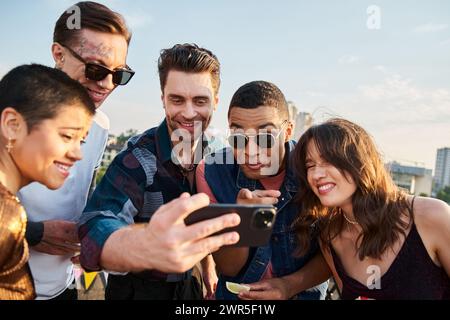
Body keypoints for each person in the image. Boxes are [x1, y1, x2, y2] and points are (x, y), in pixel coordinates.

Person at [78, 43, 240, 300]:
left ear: (216, 102)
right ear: (163, 98)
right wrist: (144, 245)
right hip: (138, 290)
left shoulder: (220, 155)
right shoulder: (137, 158)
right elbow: (94, 224)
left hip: (192, 286)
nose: (188, 113)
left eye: (200, 101)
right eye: (177, 100)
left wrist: (208, 265)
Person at [18, 1, 134, 300]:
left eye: (118, 74)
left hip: (64, 288)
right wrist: (32, 233)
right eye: (95, 69)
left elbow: (85, 207)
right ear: (58, 54)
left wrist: (91, 290)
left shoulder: (101, 127)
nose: (106, 85)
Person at [196, 81, 329, 300]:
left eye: (265, 138)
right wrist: (244, 221)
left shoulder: (317, 168)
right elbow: (229, 268)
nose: (250, 152)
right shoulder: (210, 172)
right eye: (238, 139)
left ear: (287, 131)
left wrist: (288, 286)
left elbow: (335, 253)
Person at [293, 118, 450, 299]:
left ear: (359, 162)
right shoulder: (330, 236)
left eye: (328, 160)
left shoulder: (431, 215)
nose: (316, 174)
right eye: (310, 165)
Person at [0, 64, 95, 300]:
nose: (77, 154)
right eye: (67, 136)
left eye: (81, 141)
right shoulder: (6, 216)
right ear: (13, 125)